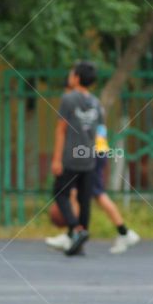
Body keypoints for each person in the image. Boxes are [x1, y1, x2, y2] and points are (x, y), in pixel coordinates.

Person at [46, 75, 141, 254]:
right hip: (96, 152)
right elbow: (100, 129)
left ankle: (123, 232)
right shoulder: (94, 103)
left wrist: (96, 152)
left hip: (92, 155)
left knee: (96, 194)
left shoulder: (74, 101)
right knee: (80, 195)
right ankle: (73, 235)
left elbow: (65, 130)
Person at [49, 61, 104, 256]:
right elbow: (101, 132)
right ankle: (79, 240)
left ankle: (76, 229)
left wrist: (57, 159)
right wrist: (101, 156)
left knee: (60, 193)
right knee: (84, 199)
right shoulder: (97, 103)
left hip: (71, 157)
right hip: (89, 158)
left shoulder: (68, 99)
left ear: (77, 78)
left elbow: (61, 130)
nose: (70, 77)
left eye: (72, 74)